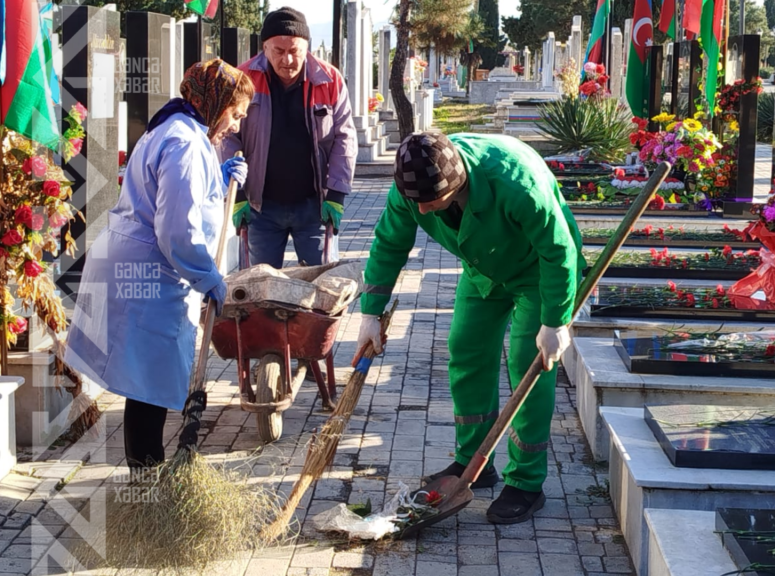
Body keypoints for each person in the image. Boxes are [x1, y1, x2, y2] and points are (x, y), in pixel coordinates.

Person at [355, 132, 585, 524]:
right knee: (465, 349)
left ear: (458, 182)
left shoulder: (515, 181)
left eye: (432, 202)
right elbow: (389, 244)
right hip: (483, 269)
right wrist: (369, 314)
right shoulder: (410, 188)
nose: (424, 211)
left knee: (527, 364)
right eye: (417, 203)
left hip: (537, 271)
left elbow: (558, 250)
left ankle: (526, 483)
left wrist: (555, 322)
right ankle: (473, 462)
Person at [65, 60, 253, 469]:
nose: (236, 126)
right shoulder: (185, 142)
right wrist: (208, 277)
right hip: (149, 274)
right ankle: (147, 480)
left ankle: (144, 474)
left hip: (144, 269)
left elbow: (178, 200)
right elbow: (176, 230)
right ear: (215, 103)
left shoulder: (176, 131)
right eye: (235, 114)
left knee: (144, 386)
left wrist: (218, 182)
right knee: (148, 389)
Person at [222, 7, 357, 269]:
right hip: (261, 207)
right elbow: (228, 137)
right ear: (264, 47)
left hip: (315, 206)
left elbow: (344, 136)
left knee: (321, 285)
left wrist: (337, 195)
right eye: (279, 51)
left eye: (295, 51)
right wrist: (236, 195)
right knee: (260, 289)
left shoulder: (329, 81)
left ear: (306, 47)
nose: (288, 60)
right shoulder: (244, 79)